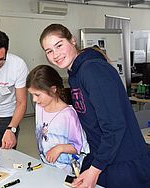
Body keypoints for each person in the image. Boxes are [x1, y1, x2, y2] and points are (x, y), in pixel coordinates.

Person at [39, 24, 150, 188]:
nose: (55, 55)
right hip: (104, 158)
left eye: (59, 45)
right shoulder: (75, 74)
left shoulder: (92, 70)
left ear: (72, 41)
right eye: (49, 51)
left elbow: (114, 126)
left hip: (124, 163)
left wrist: (95, 169)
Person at [26, 64, 89, 175]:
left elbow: (78, 146)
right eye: (32, 95)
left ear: (53, 90)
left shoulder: (68, 115)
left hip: (67, 172)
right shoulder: (40, 107)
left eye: (37, 95)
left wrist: (59, 148)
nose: (34, 99)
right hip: (47, 167)